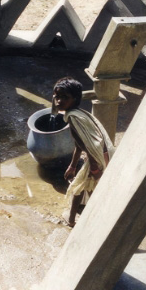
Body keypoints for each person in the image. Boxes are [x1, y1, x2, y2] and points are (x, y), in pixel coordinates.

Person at [51, 77, 115, 227]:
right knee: (80, 186)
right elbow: (79, 144)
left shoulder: (74, 118)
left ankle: (99, 222)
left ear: (75, 99)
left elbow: (89, 144)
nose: (59, 101)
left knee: (87, 190)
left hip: (96, 158)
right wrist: (72, 166)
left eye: (65, 97)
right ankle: (72, 219)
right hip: (101, 155)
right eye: (57, 97)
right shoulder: (79, 113)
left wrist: (93, 168)